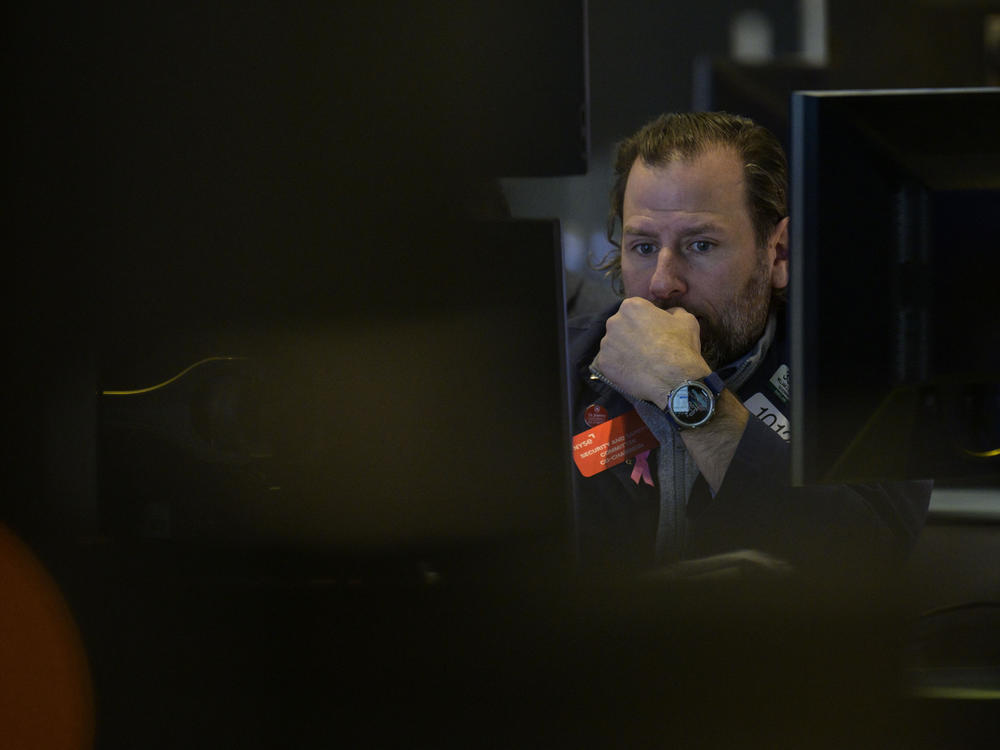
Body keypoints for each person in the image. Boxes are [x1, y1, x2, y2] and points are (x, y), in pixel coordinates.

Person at [569, 112, 931, 576]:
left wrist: (684, 389)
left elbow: (866, 562)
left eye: (700, 245)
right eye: (642, 246)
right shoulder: (557, 364)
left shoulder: (866, 378)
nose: (662, 284)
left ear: (777, 253)